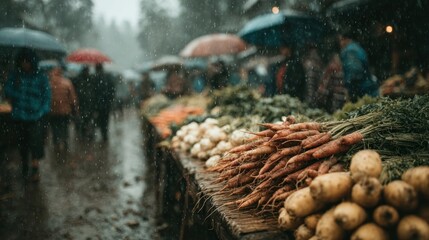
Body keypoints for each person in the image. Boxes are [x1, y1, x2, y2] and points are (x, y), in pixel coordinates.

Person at [4, 48, 51, 181]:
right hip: (19, 116)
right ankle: (25, 167)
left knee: (35, 143)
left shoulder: (41, 77)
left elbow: (46, 96)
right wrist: (16, 93)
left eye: (27, 61)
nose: (25, 64)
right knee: (22, 144)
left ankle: (35, 169)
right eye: (22, 61)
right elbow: (8, 91)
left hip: (36, 117)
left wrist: (43, 111)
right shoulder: (15, 75)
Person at [338, 30, 379, 102]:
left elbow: (354, 72)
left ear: (345, 39)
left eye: (340, 40)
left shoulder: (350, 51)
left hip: (363, 91)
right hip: (369, 89)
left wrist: (352, 91)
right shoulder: (357, 47)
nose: (340, 44)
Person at [48, 63, 79, 153]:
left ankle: (56, 143)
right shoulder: (67, 83)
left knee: (55, 128)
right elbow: (73, 98)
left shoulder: (49, 84)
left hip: (53, 111)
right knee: (64, 127)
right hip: (65, 111)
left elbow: (46, 98)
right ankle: (65, 142)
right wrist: (75, 109)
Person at [92, 63, 115, 142]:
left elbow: (93, 92)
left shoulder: (94, 78)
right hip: (106, 104)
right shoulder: (108, 77)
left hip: (98, 104)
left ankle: (102, 133)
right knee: (105, 120)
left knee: (99, 119)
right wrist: (110, 100)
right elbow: (112, 90)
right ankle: (105, 134)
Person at [72, 65, 95, 140]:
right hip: (87, 102)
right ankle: (88, 134)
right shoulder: (90, 79)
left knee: (84, 119)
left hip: (83, 102)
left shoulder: (78, 79)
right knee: (88, 119)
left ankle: (84, 134)